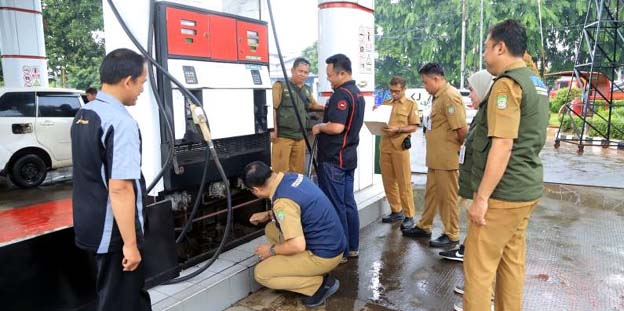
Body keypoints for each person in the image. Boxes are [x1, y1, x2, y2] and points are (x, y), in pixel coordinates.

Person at [460, 20, 549, 311]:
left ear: (500, 47)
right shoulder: (536, 83)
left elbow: (503, 144)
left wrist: (481, 198)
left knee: (479, 270)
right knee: (511, 264)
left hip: (502, 195)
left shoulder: (507, 86)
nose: (485, 56)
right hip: (525, 191)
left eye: (487, 48)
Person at [71, 48, 151, 311]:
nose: (141, 90)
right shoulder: (121, 122)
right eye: (141, 83)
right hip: (114, 232)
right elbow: (120, 188)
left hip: (88, 222)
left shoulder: (85, 114)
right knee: (122, 301)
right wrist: (130, 245)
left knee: (115, 296)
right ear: (128, 81)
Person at [245, 161, 345, 307]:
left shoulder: (282, 202)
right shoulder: (293, 177)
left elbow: (297, 245)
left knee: (261, 273)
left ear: (256, 189)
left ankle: (318, 285)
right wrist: (268, 214)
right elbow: (299, 206)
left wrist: (270, 251)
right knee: (270, 229)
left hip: (323, 256)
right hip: (334, 243)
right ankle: (301, 268)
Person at [403, 63, 468, 249]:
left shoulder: (450, 96)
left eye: (425, 82)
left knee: (448, 198)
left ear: (436, 79)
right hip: (436, 158)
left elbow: (461, 129)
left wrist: (457, 153)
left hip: (446, 159)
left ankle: (451, 234)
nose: (424, 86)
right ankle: (424, 226)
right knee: (431, 195)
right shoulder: (438, 96)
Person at [312, 54, 365, 261]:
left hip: (335, 159)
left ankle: (340, 252)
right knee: (348, 203)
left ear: (342, 73)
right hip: (349, 158)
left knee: (336, 205)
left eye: (331, 75)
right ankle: (352, 247)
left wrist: (319, 126)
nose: (329, 80)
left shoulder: (341, 95)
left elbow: (336, 127)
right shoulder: (357, 94)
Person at [439, 69, 493, 263]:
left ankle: (471, 259)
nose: (469, 94)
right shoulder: (481, 114)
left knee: (480, 229)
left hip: (477, 184)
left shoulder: (489, 116)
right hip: (471, 181)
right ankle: (465, 248)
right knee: (473, 226)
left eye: (472, 90)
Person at [378, 76, 420, 229]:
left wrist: (399, 129)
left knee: (404, 182)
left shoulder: (410, 104)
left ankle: (409, 215)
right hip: (385, 146)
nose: (393, 94)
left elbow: (414, 126)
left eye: (397, 91)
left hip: (399, 147)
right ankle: (396, 210)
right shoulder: (385, 104)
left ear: (404, 89)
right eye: (391, 91)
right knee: (388, 181)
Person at [271, 57, 323, 174]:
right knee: (280, 173)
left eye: (306, 72)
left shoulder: (307, 90)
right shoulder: (280, 86)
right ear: (292, 70)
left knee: (298, 173)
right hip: (283, 137)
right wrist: (273, 130)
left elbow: (313, 105)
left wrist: (328, 107)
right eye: (300, 71)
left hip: (300, 137)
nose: (303, 75)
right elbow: (272, 108)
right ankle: (281, 193)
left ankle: (294, 193)